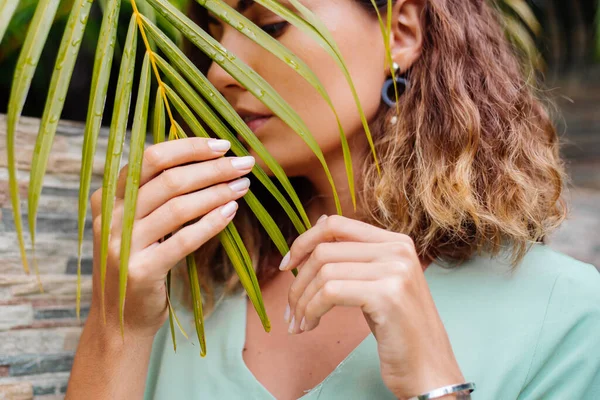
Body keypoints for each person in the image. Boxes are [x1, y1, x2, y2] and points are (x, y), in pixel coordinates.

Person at [66, 0, 600, 399]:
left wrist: (435, 385)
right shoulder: (184, 284)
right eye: (212, 39)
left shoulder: (570, 318)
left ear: (400, 31)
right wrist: (118, 327)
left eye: (268, 26)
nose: (219, 74)